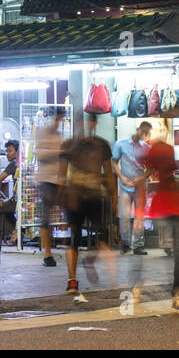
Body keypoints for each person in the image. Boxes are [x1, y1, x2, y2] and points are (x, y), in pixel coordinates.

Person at [133, 126, 179, 313]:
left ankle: (139, 288)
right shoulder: (165, 150)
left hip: (166, 204)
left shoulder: (154, 153)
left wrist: (139, 214)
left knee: (174, 254)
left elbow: (144, 181)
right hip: (175, 204)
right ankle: (178, 296)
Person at [62, 113, 116, 301]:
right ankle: (72, 280)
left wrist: (114, 196)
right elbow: (62, 174)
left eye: (89, 122)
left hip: (95, 197)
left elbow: (108, 173)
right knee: (74, 239)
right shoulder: (69, 145)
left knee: (103, 238)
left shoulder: (102, 146)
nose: (86, 126)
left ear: (94, 124)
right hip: (75, 198)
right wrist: (63, 196)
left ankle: (90, 261)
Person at [112, 120, 151, 255]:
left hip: (140, 187)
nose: (144, 134)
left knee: (140, 216)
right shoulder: (120, 144)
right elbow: (114, 162)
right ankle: (125, 243)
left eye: (147, 132)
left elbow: (151, 168)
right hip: (125, 185)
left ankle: (138, 245)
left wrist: (142, 178)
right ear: (137, 128)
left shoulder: (146, 148)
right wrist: (122, 178)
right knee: (124, 216)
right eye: (143, 130)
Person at [35, 110, 66, 267]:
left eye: (60, 120)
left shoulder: (59, 136)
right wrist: (58, 152)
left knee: (60, 216)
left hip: (58, 180)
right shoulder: (42, 133)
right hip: (46, 179)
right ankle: (47, 254)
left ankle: (59, 247)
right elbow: (39, 154)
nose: (57, 122)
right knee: (46, 217)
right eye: (57, 119)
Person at [0, 139, 19, 244]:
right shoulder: (21, 163)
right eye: (6, 151)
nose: (7, 154)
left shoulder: (13, 164)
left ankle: (13, 232)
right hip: (19, 200)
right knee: (5, 210)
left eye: (10, 151)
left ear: (17, 152)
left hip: (16, 202)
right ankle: (16, 233)